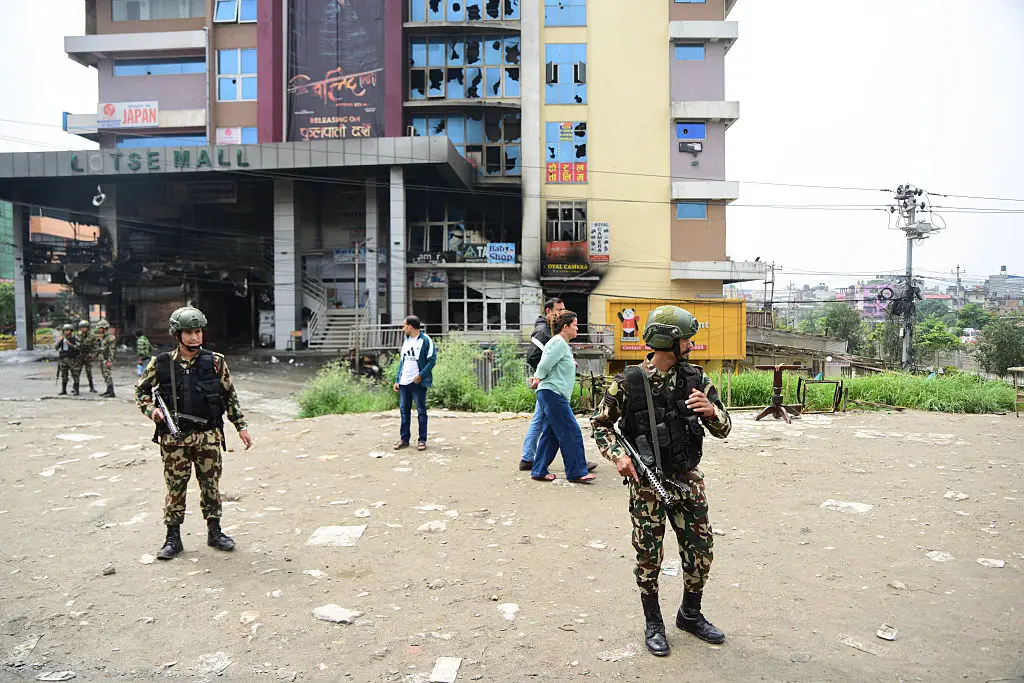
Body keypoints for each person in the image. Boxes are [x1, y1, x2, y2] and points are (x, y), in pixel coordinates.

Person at [591, 305, 732, 656]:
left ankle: (690, 614)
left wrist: (712, 411)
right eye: (686, 340)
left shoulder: (696, 379)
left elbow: (724, 429)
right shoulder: (628, 383)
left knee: (701, 552)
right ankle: (653, 622)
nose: (691, 345)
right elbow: (601, 425)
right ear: (668, 341)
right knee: (648, 556)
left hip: (688, 481)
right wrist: (618, 456)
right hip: (647, 485)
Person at [135, 306, 253, 560]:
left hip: (208, 436)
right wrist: (151, 410)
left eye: (198, 331)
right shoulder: (161, 363)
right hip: (174, 439)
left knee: (211, 486)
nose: (194, 337)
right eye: (188, 332)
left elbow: (229, 395)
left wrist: (240, 426)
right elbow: (141, 391)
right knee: (175, 488)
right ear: (177, 335)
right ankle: (173, 538)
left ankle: (215, 532)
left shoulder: (216, 362)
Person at [528, 310, 595, 483]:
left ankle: (538, 470)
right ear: (565, 327)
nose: (577, 328)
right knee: (571, 431)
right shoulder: (558, 342)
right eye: (575, 325)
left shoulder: (562, 344)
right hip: (552, 393)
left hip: (553, 394)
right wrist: (537, 377)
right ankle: (577, 472)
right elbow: (544, 364)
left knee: (551, 435)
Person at [519, 298, 563, 471]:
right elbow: (532, 357)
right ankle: (576, 462)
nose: (561, 313)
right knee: (565, 425)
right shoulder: (542, 331)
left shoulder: (549, 329)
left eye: (563, 309)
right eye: (558, 310)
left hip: (549, 384)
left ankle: (528, 458)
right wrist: (544, 375)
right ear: (548, 311)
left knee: (540, 421)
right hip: (548, 384)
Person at [392, 315, 436, 451]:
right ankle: (404, 439)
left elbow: (432, 361)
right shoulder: (406, 341)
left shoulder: (425, 340)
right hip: (404, 382)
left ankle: (422, 440)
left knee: (421, 411)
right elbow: (402, 362)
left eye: (404, 326)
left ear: (410, 327)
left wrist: (420, 376)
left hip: (417, 382)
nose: (403, 328)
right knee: (404, 411)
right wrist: (397, 380)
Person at [54, 324, 80, 396]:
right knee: (64, 375)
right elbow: (56, 347)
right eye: (65, 330)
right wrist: (59, 341)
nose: (66, 332)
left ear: (71, 331)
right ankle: (64, 390)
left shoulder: (74, 338)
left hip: (72, 359)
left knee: (75, 374)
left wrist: (69, 344)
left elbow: (78, 348)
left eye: (68, 330)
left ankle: (76, 390)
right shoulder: (62, 338)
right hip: (63, 359)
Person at [95, 319, 117, 397]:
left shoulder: (110, 337)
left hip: (107, 359)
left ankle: (111, 392)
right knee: (105, 375)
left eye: (100, 328)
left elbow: (112, 350)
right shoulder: (103, 337)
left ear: (104, 328)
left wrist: (110, 360)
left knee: (108, 375)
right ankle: (108, 390)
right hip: (103, 359)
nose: (99, 329)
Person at [75, 320, 98, 393]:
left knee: (89, 372)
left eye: (85, 327)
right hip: (79, 355)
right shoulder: (77, 335)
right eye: (82, 327)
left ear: (88, 328)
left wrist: (94, 355)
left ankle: (91, 387)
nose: (83, 329)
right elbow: (75, 345)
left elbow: (95, 346)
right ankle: (75, 388)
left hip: (88, 355)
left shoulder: (92, 335)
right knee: (77, 372)